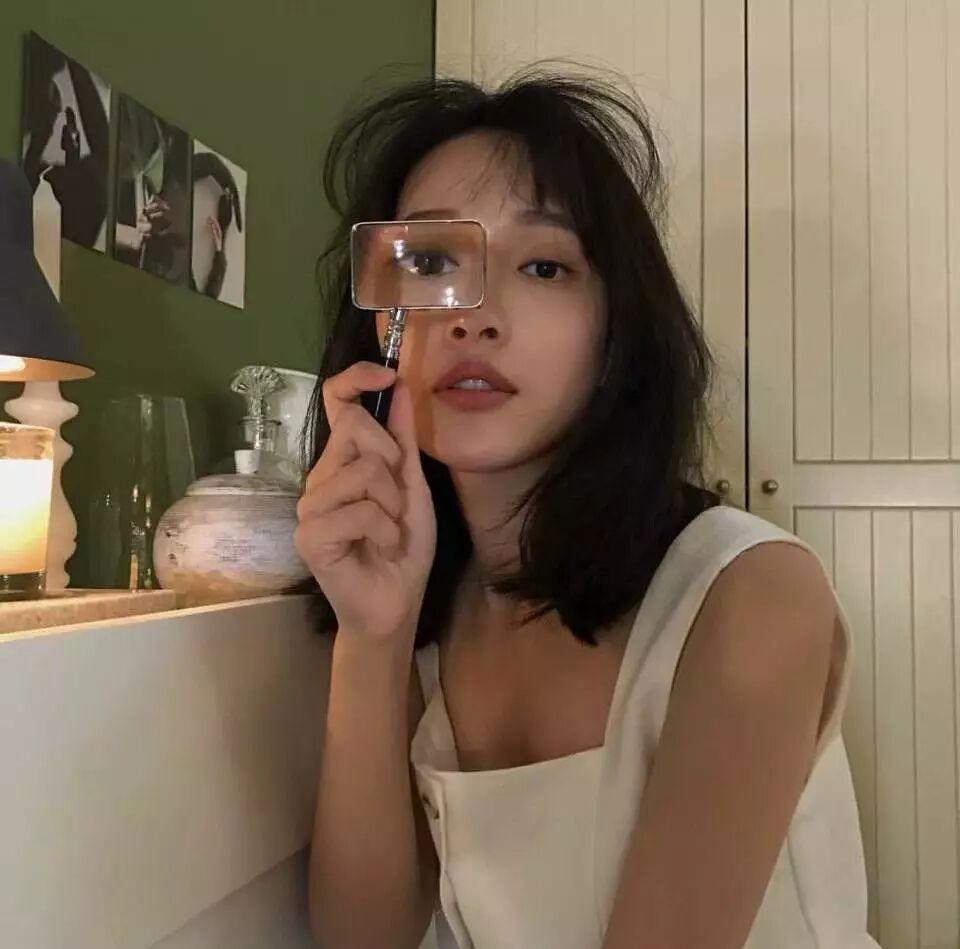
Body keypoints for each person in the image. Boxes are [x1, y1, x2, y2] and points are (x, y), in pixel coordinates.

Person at [295, 67, 879, 949]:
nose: (476, 317)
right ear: (381, 322)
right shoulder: (425, 606)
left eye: (544, 265)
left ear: (616, 332)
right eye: (431, 262)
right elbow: (365, 939)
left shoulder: (751, 596)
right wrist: (372, 637)